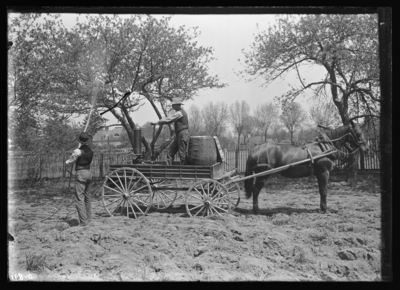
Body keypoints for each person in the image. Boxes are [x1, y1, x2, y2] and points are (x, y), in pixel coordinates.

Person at [65, 132, 94, 226]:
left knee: (79, 199)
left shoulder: (77, 151)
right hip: (88, 173)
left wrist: (67, 162)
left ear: (80, 141)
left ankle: (83, 222)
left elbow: (71, 160)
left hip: (81, 174)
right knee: (87, 198)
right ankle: (88, 219)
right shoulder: (91, 150)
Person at [151, 98, 189, 165]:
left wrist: (157, 122)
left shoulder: (179, 113)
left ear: (177, 105)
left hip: (182, 134)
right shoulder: (178, 112)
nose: (172, 106)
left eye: (173, 105)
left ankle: (185, 171)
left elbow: (169, 119)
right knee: (170, 152)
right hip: (178, 135)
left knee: (182, 153)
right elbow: (170, 120)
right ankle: (169, 170)